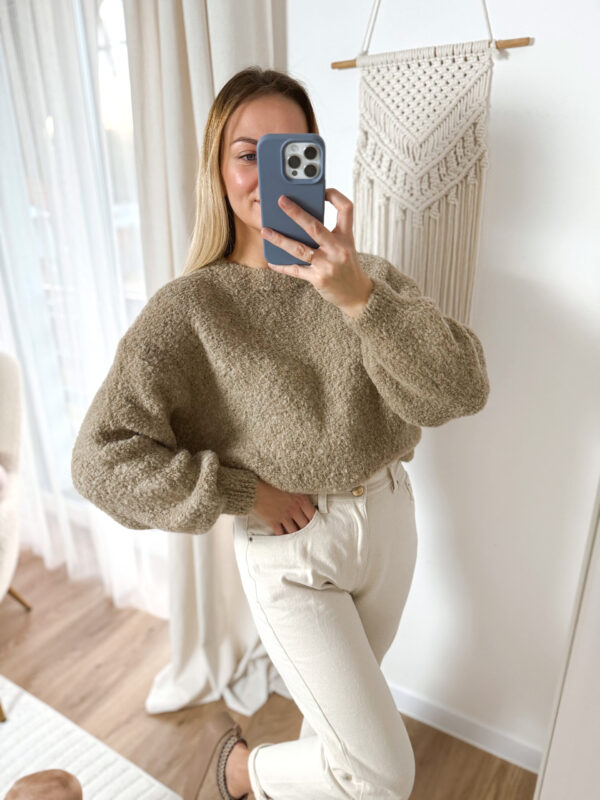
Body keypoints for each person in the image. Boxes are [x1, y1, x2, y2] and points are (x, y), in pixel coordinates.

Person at [69, 66, 490, 800]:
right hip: (291, 552)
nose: (270, 173)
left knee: (336, 742)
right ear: (219, 169)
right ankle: (238, 771)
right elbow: (98, 462)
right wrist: (242, 492)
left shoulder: (367, 278)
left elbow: (463, 389)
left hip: (390, 522)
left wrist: (360, 300)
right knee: (380, 773)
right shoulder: (191, 309)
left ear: (316, 161)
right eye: (248, 153)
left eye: (293, 151)